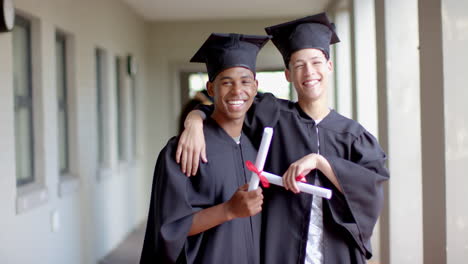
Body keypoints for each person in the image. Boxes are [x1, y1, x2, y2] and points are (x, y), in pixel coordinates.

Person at [176, 13, 389, 264]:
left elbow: (370, 190)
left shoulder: (353, 136)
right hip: (281, 251)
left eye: (316, 62)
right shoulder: (272, 115)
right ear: (288, 74)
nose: (309, 72)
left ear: (329, 66)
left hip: (337, 252)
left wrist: (320, 162)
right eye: (298, 64)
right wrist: (195, 118)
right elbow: (231, 105)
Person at [140, 33, 270, 264]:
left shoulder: (256, 143)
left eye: (245, 81)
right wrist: (229, 210)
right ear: (211, 88)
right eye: (226, 82)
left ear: (256, 86)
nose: (237, 90)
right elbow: (169, 228)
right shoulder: (182, 150)